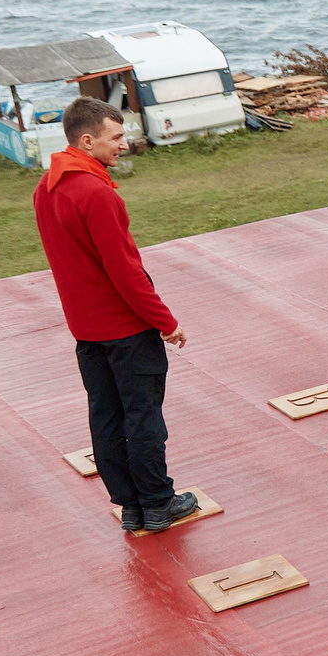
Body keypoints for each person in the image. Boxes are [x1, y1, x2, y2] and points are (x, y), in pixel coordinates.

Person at [31, 96, 199, 534]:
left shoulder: (45, 189)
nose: (124, 144)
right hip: (125, 329)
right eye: (117, 137)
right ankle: (159, 503)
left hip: (86, 331)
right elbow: (124, 270)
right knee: (142, 418)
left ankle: (130, 506)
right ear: (87, 140)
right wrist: (166, 321)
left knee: (105, 417)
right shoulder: (96, 194)